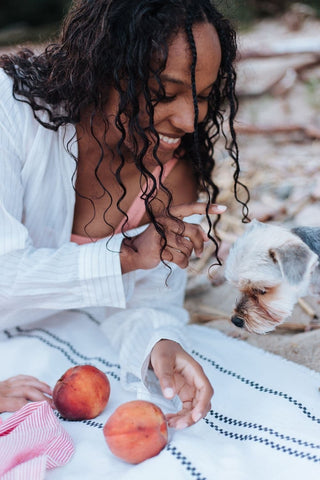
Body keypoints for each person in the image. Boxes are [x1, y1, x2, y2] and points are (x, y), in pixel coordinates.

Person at [0, 0, 248, 428]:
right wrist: (128, 252)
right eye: (165, 93)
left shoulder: (169, 171)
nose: (189, 120)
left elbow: (149, 296)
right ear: (100, 69)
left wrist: (160, 345)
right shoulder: (11, 113)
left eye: (203, 96)